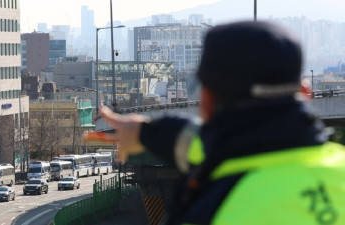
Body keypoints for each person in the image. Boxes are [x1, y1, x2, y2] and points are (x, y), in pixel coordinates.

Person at [100, 21, 345, 225]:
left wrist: (144, 133)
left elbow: (214, 143)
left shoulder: (212, 212)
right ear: (306, 93)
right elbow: (198, 142)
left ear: (205, 100)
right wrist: (145, 132)